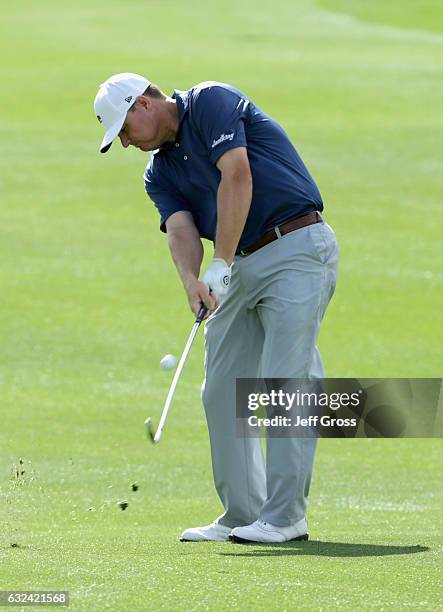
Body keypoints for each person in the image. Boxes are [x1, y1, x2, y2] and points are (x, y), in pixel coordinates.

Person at [94, 73, 338, 543]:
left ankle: (286, 518)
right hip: (239, 264)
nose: (125, 143)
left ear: (143, 103)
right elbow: (181, 228)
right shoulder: (158, 172)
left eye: (124, 130)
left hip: (296, 245)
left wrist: (221, 261)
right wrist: (192, 281)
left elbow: (237, 175)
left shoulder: (209, 101)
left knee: (285, 378)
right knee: (221, 388)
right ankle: (242, 514)